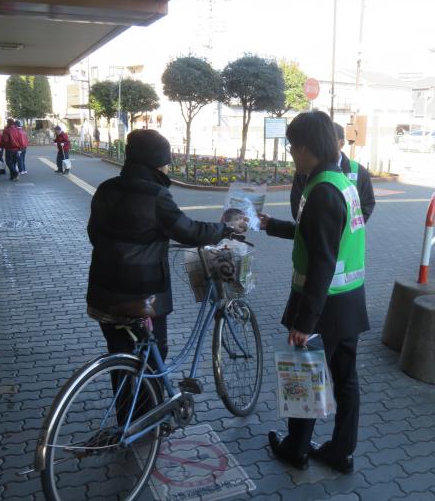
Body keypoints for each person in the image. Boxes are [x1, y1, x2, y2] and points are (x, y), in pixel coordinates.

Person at [261, 111, 369, 475]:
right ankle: (341, 452)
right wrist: (273, 226)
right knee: (345, 380)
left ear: (306, 147)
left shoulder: (321, 190)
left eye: (293, 148)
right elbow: (320, 235)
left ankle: (297, 449)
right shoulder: (340, 181)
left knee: (303, 376)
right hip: (349, 301)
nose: (292, 154)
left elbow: (322, 260)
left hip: (322, 307)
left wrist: (305, 322)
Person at [86, 129, 246, 368]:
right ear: (156, 164)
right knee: (152, 359)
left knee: (120, 357)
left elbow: (94, 234)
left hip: (102, 293)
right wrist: (225, 228)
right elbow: (188, 231)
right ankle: (155, 405)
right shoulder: (156, 195)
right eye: (166, 163)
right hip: (142, 297)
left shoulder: (106, 188)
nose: (168, 169)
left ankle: (126, 406)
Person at [290, 122, 375, 223]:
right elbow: (297, 201)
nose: (324, 145)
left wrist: (345, 226)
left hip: (347, 235)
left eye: (330, 141)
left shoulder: (359, 171)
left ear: (341, 143)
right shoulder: (305, 169)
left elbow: (367, 202)